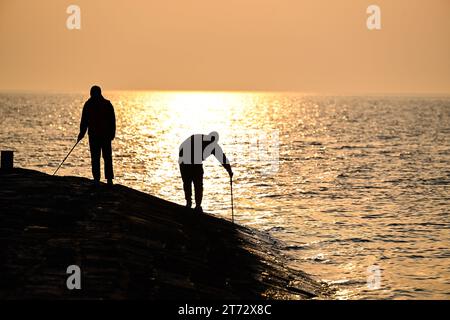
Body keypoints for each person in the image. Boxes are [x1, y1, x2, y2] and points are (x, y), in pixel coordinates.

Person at [179, 131, 233, 212]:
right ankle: (191, 203)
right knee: (191, 182)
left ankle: (195, 204)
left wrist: (229, 170)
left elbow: (222, 157)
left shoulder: (213, 145)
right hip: (185, 159)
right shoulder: (199, 140)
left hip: (189, 160)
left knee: (194, 183)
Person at [77, 85, 116, 185]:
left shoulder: (90, 104)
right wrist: (82, 133)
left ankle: (99, 179)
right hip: (102, 135)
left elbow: (84, 121)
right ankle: (105, 179)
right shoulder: (105, 104)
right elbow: (85, 121)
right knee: (103, 157)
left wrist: (81, 133)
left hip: (99, 136)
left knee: (99, 157)